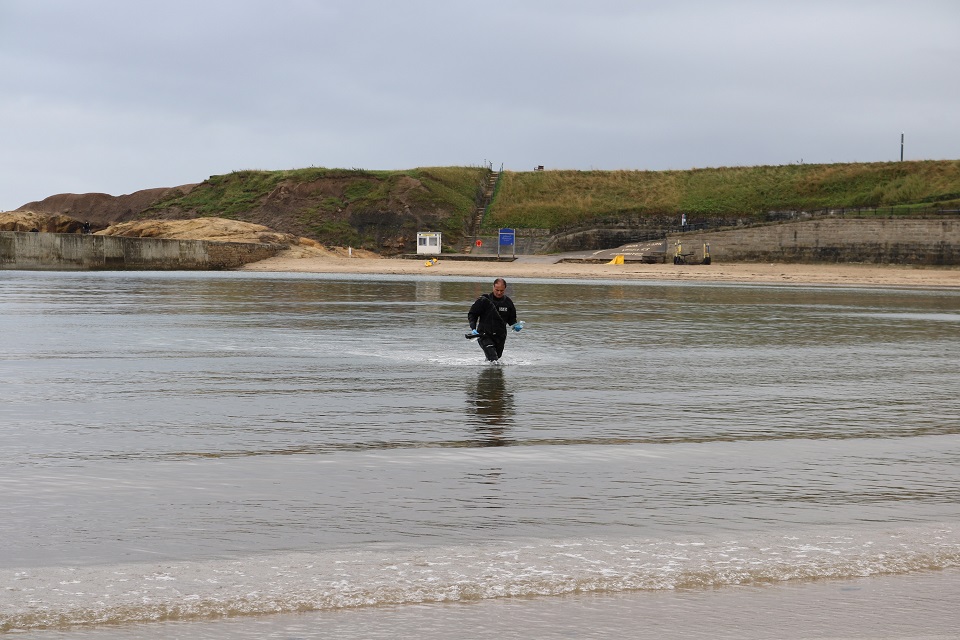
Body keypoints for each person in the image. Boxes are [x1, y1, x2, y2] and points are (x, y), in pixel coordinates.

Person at [467, 277, 521, 362]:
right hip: (484, 335)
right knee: (493, 359)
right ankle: (491, 374)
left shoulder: (508, 302)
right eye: (497, 290)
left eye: (501, 291)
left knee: (496, 359)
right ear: (493, 287)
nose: (499, 293)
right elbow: (472, 315)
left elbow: (511, 319)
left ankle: (487, 374)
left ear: (505, 289)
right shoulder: (484, 300)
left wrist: (515, 325)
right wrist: (473, 328)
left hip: (500, 336)